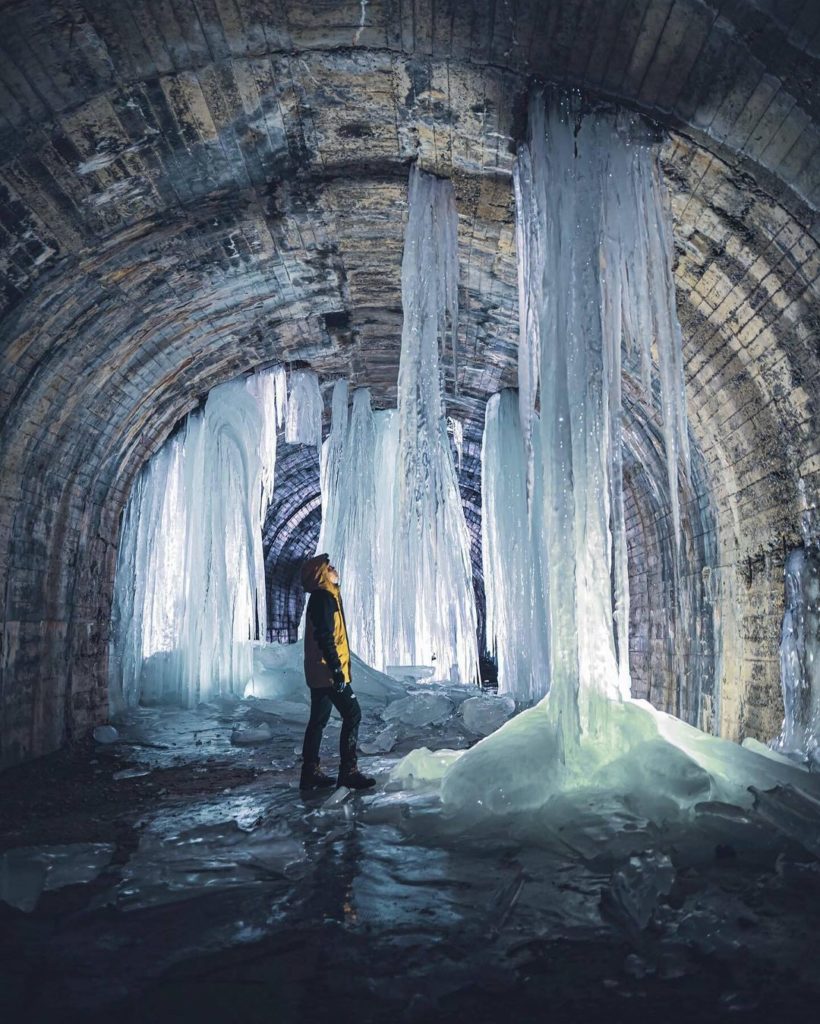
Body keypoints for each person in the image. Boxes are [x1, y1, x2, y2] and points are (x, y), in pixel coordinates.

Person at [299, 553, 376, 791]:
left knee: (318, 721)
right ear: (321, 575)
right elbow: (325, 637)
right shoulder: (323, 598)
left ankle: (310, 772)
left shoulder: (325, 597)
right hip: (327, 671)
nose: (334, 569)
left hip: (320, 671)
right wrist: (336, 669)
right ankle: (348, 772)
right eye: (329, 567)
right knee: (353, 714)